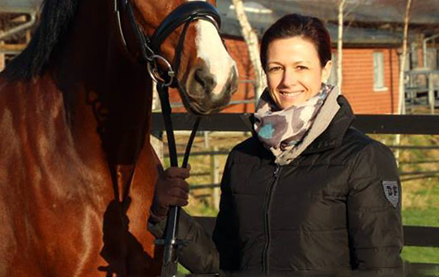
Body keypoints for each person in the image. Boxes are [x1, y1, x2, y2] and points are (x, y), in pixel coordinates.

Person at [149, 14, 403, 275]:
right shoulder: (243, 158)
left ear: (325, 69)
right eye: (276, 68)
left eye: (301, 67)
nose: (287, 81)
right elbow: (220, 262)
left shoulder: (364, 159)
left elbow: (381, 268)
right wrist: (165, 214)